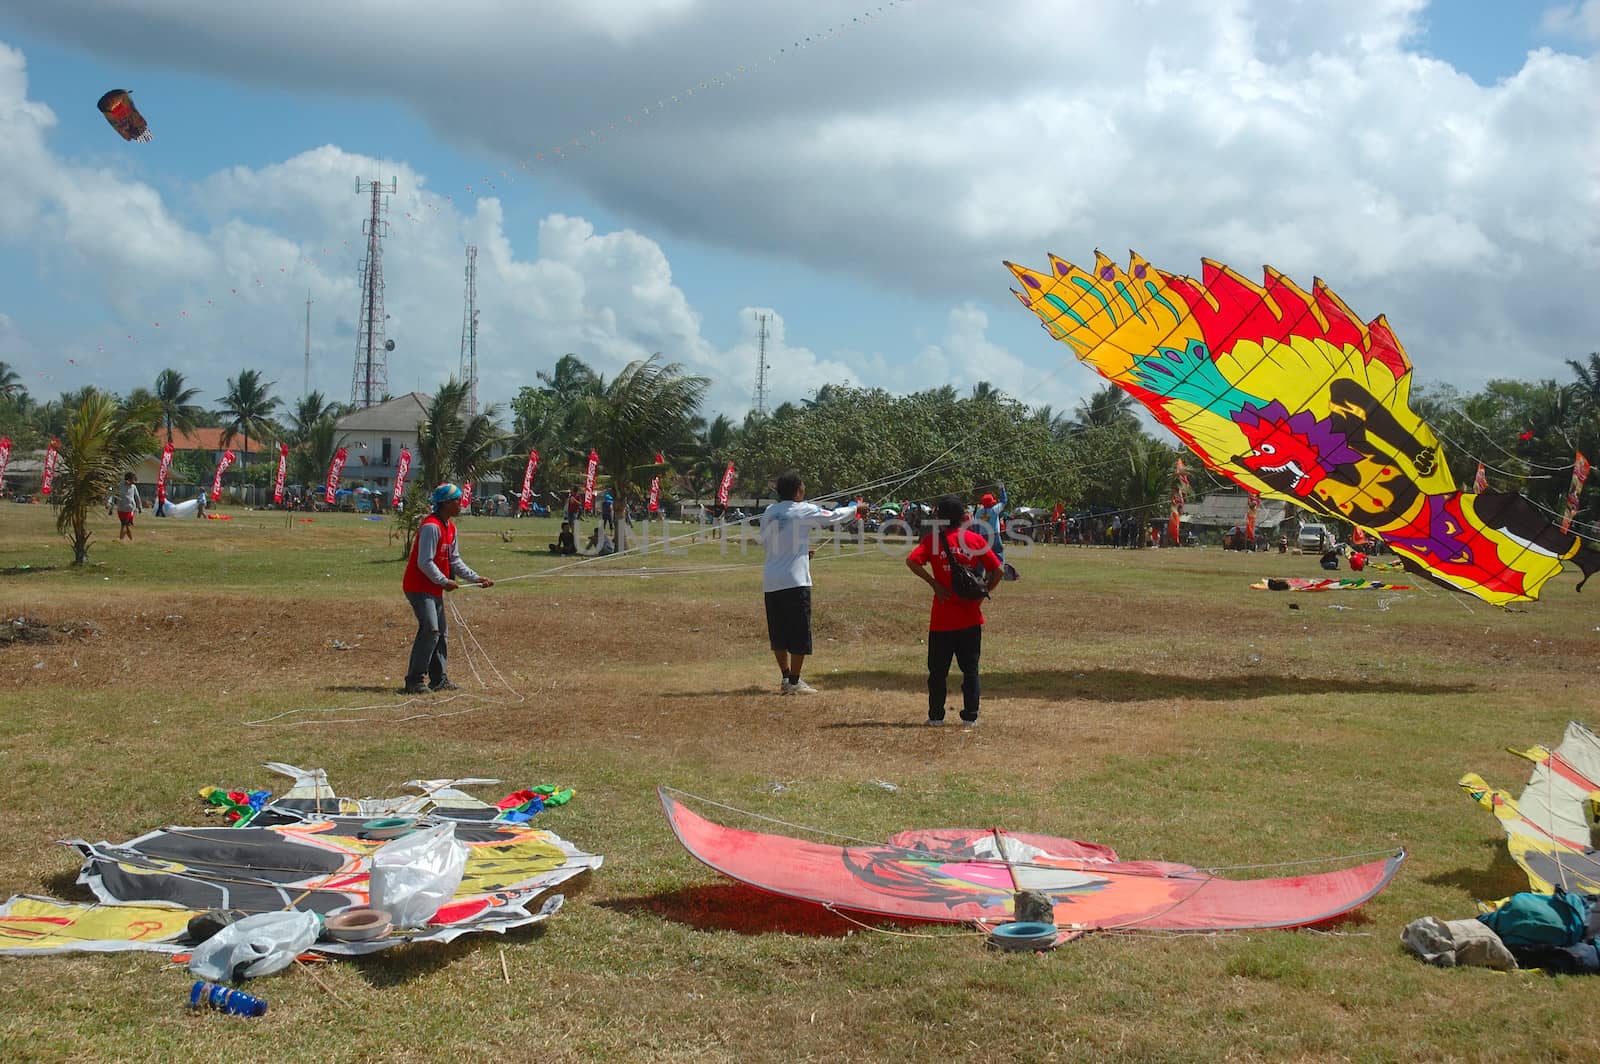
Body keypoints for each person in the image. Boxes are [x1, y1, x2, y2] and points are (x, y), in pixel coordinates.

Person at [760, 469, 867, 695]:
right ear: (798, 490)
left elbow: (770, 541)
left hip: (771, 582)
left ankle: (786, 677)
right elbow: (833, 516)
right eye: (803, 487)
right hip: (795, 582)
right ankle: (795, 682)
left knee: (778, 633)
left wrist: (800, 551)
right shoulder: (804, 509)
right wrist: (856, 509)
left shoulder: (769, 512)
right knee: (799, 632)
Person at [905, 494, 1003, 727]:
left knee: (937, 671)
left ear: (939, 517)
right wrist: (983, 591)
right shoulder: (974, 539)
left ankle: (936, 716)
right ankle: (970, 716)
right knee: (970, 670)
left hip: (941, 618)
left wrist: (935, 584)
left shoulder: (932, 541)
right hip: (971, 617)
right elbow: (998, 570)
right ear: (963, 517)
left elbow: (911, 561)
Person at [401, 483, 494, 695]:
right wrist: (444, 581)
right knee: (430, 629)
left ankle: (439, 679)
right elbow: (424, 562)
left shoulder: (451, 528)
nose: (460, 504)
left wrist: (475, 578)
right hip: (418, 586)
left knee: (441, 632)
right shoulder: (431, 527)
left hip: (434, 587)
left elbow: (454, 560)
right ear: (444, 503)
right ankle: (414, 680)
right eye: (456, 500)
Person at [115, 472, 142, 541]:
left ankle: (121, 540)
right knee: (125, 525)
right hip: (121, 508)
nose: (133, 482)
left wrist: (139, 507)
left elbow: (137, 497)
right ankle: (131, 539)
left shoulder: (133, 487)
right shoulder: (119, 485)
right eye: (132, 480)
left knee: (124, 524)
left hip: (129, 509)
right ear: (128, 479)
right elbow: (113, 495)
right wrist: (110, 505)